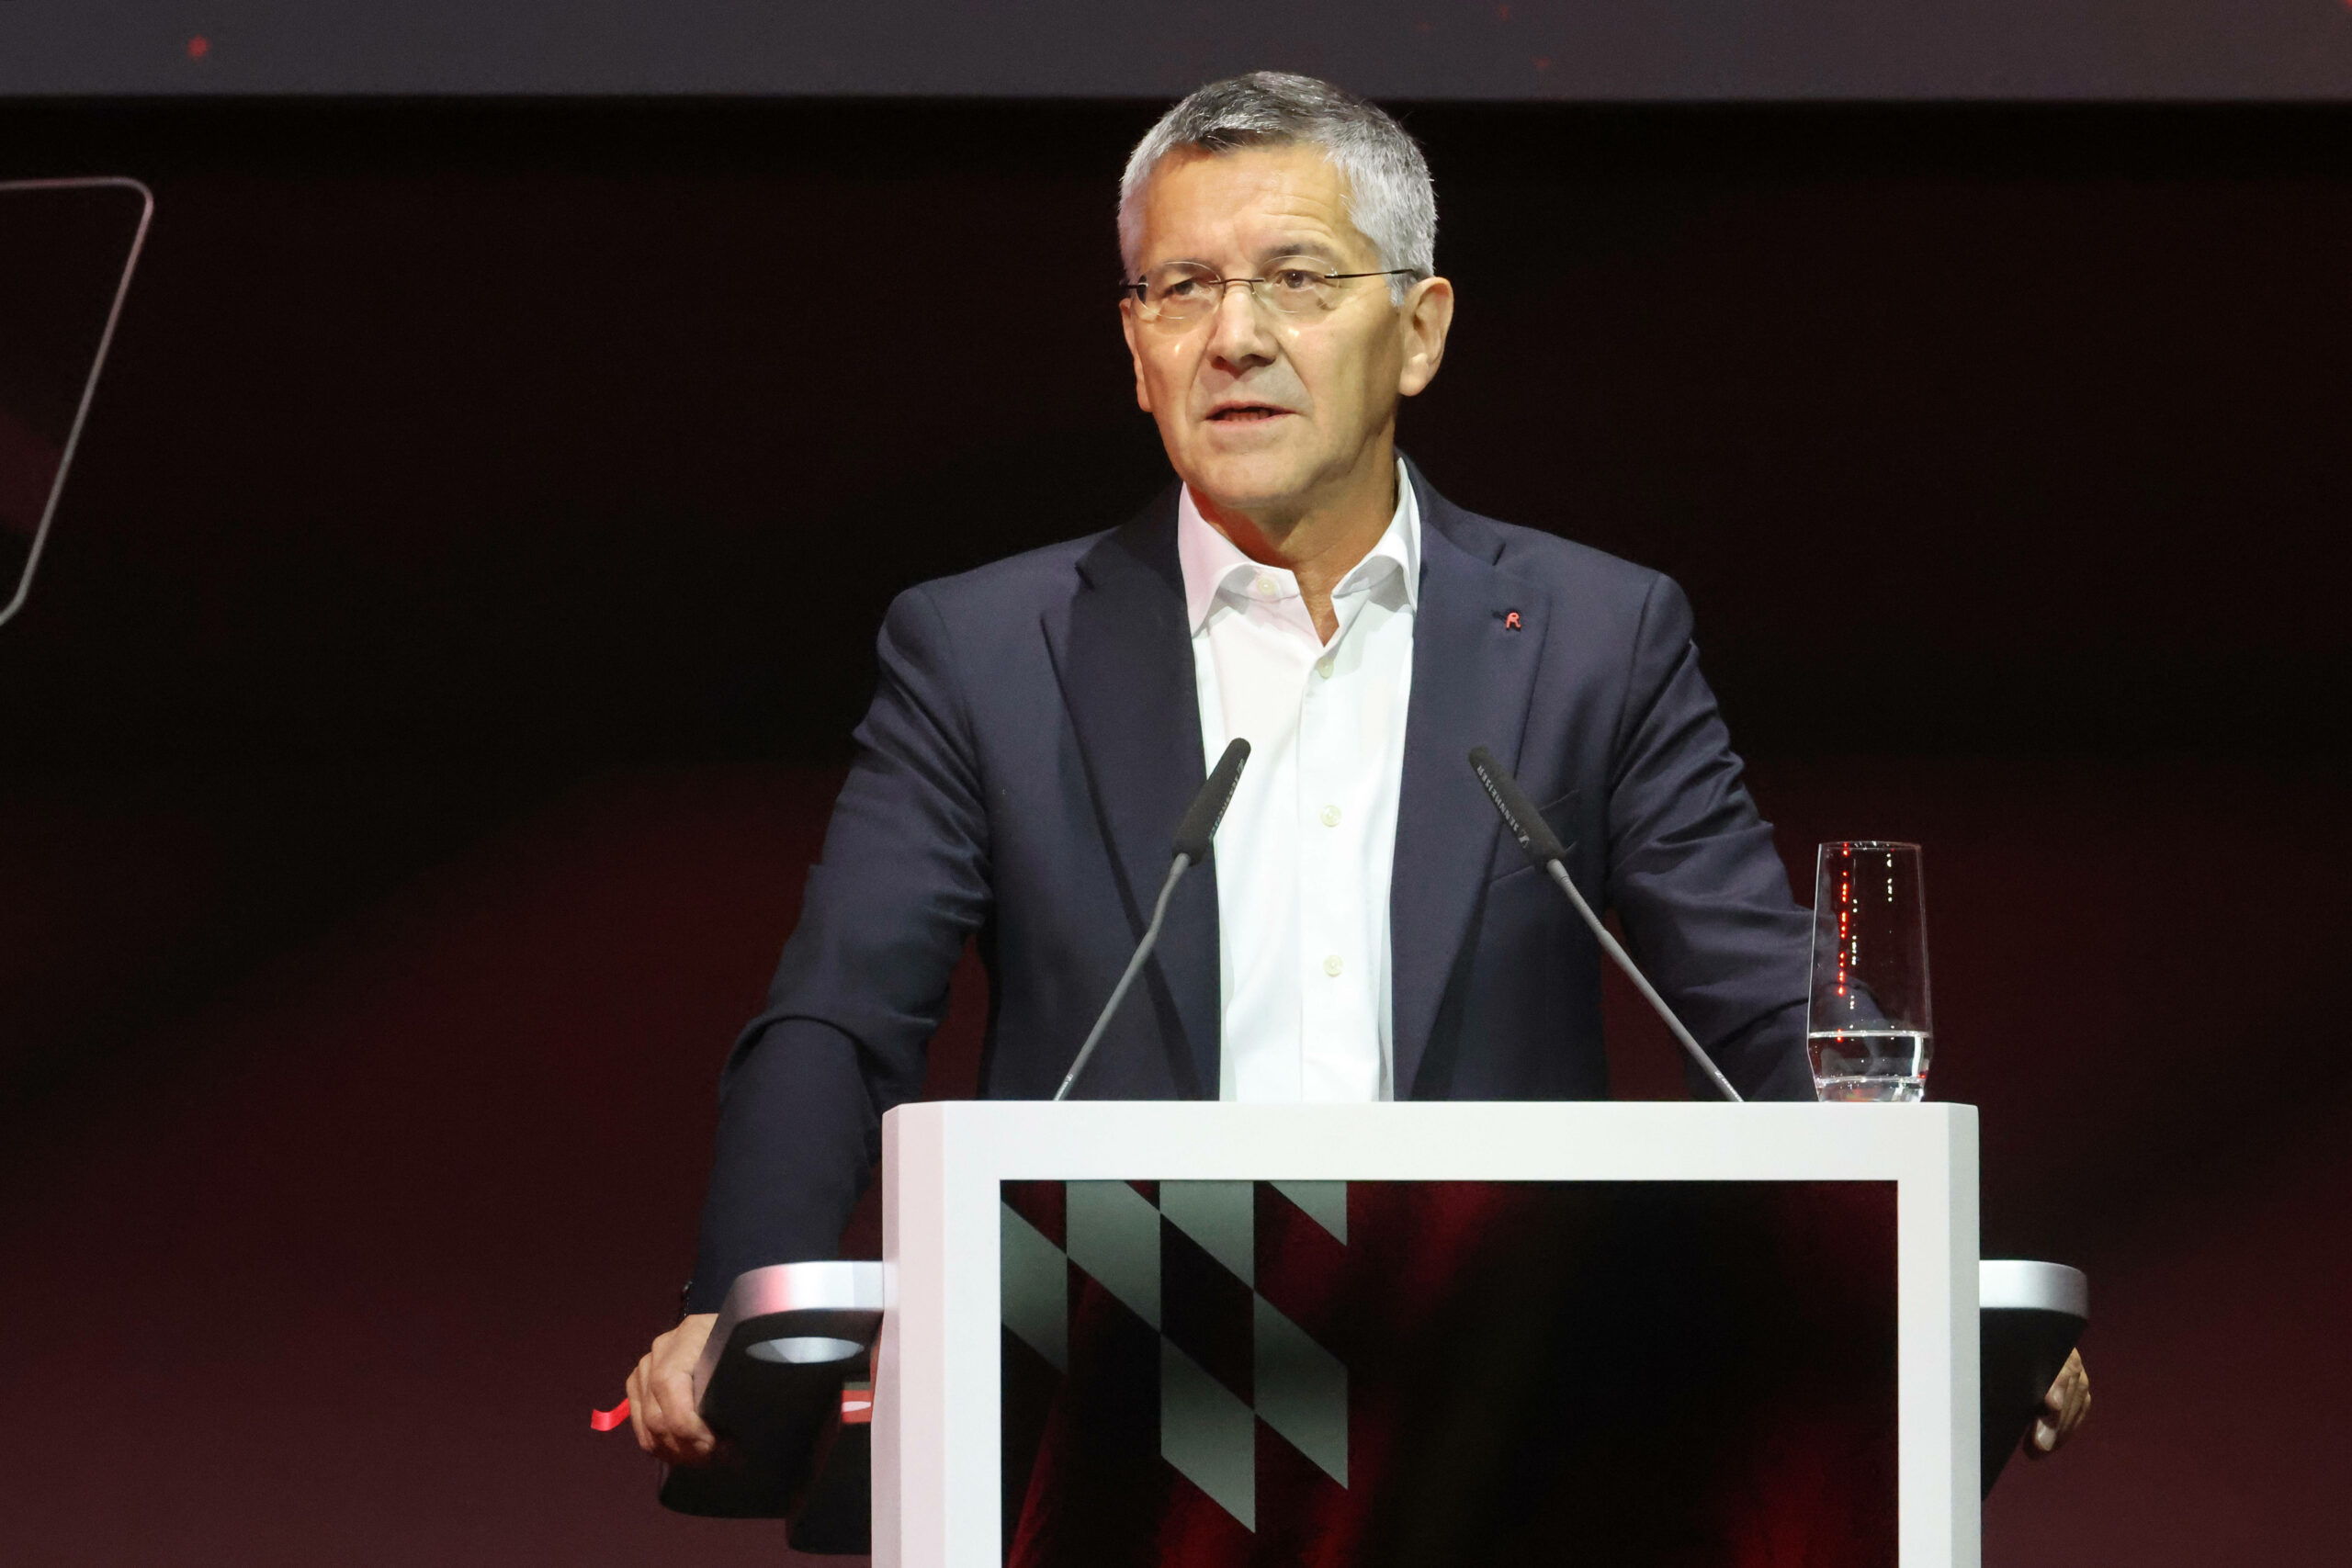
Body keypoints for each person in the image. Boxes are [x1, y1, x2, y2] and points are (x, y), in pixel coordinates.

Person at [627, 71, 2090, 1468]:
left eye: (1298, 279)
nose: (1235, 336)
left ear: (1420, 329)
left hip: (1494, 1386)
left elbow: (1766, 1000)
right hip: (1121, 1384)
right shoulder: (987, 650)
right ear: (1134, 349)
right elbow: (841, 1012)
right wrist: (743, 1294)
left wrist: (1946, 1256)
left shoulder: (1591, 636)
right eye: (1182, 288)